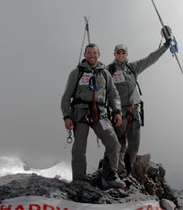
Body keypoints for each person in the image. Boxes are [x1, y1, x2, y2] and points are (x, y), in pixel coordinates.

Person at [107, 26, 174, 178]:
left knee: (134, 145)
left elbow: (151, 58)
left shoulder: (133, 68)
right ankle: (118, 173)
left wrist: (166, 45)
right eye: (118, 52)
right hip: (119, 113)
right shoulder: (108, 70)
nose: (121, 55)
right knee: (120, 144)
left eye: (123, 52)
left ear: (127, 54)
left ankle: (127, 173)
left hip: (134, 112)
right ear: (114, 54)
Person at [61, 43, 126, 189]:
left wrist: (117, 112)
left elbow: (114, 94)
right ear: (85, 55)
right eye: (89, 52)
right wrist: (66, 116)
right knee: (79, 147)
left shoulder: (104, 73)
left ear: (99, 54)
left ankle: (110, 176)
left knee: (113, 142)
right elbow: (66, 97)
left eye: (95, 53)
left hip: (101, 114)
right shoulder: (76, 72)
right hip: (80, 113)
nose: (92, 55)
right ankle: (79, 179)